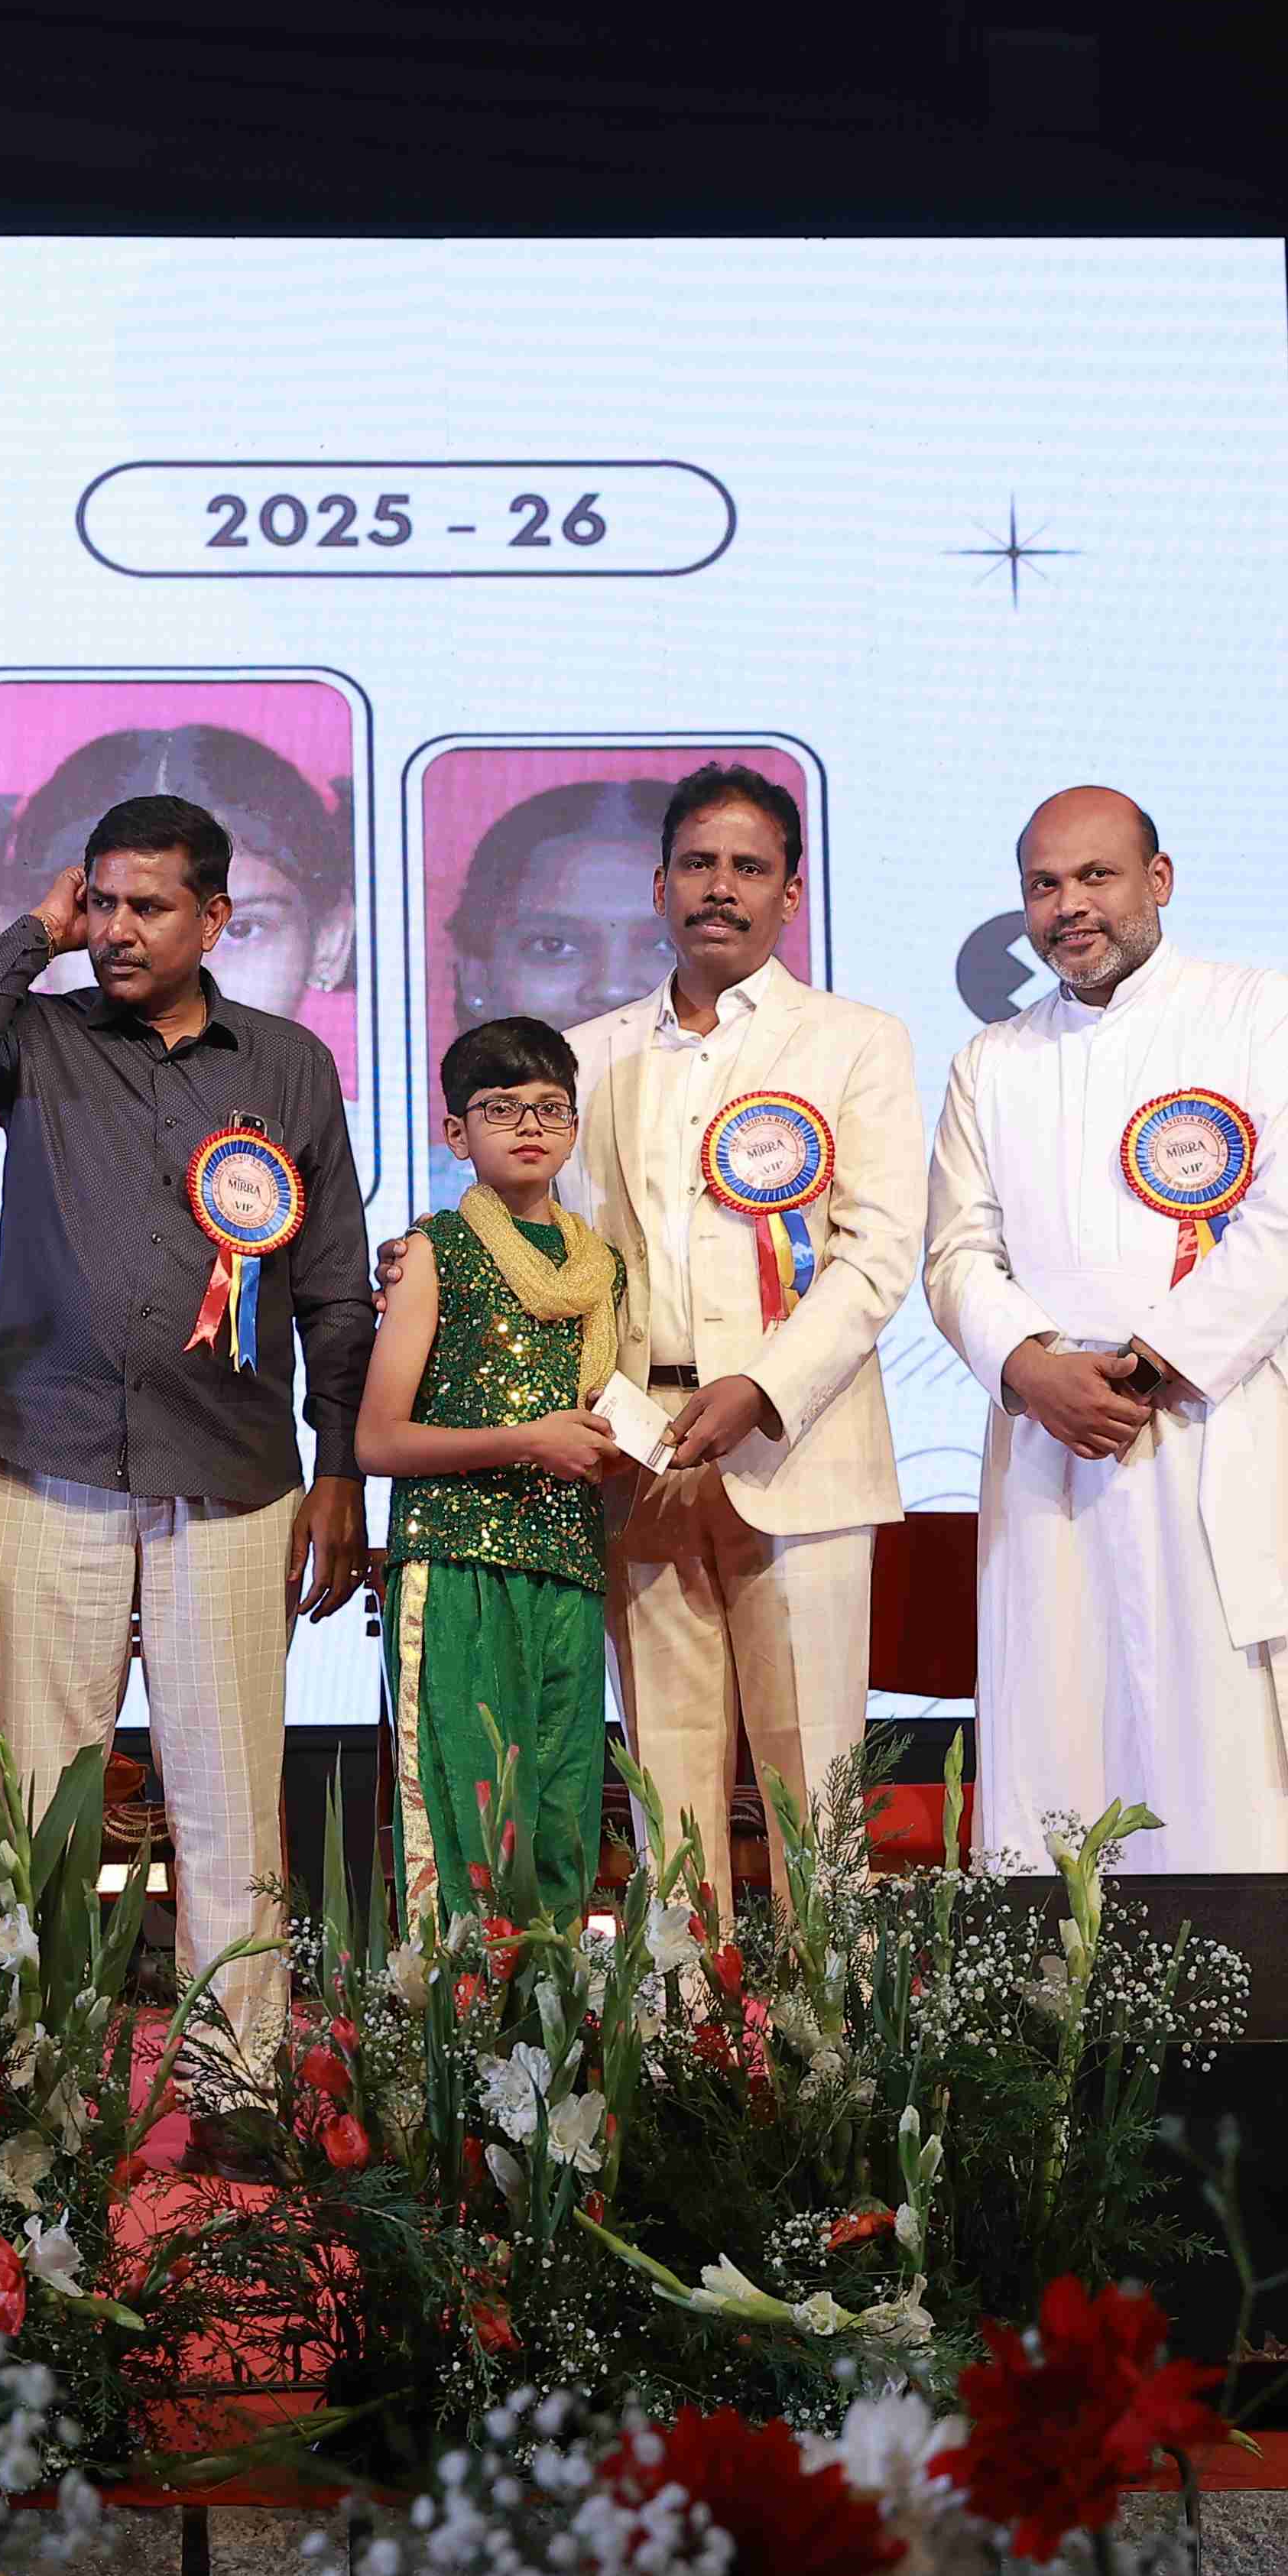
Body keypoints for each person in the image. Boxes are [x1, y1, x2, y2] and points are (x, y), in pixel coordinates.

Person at [0, 791, 372, 2057]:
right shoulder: (39, 1037)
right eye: (100, 902)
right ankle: (27, 2088)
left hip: (232, 1474)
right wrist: (37, 932)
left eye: (148, 907)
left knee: (230, 1806)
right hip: (43, 1459)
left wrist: (340, 1469)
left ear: (214, 918)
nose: (117, 928)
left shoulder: (289, 1066)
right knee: (33, 1801)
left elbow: (334, 1284)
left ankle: (237, 2088)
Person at [922, 787, 1288, 1874]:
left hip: (1224, 1422)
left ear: (1159, 881)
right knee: (1064, 1726)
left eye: (1097, 876)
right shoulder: (993, 1060)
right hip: (1056, 1444)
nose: (1069, 906)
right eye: (1045, 885)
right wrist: (1034, 1369)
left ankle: (1261, 1971)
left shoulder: (1265, 1013)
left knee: (1232, 1739)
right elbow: (956, 1252)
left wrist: (1149, 1365)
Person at [564, 762, 920, 1899]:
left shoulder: (856, 1042)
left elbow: (878, 1253)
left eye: (749, 868)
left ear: (790, 893)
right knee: (666, 1795)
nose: (721, 887)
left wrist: (763, 1389)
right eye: (699, 864)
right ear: (660, 883)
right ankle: (676, 2006)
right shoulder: (585, 1053)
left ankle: (831, 2010)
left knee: (816, 1790)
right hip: (639, 1454)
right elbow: (558, 1251)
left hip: (798, 1446)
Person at [360, 1017, 629, 1922]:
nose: (530, 1127)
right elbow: (379, 1441)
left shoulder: (600, 1268)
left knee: (561, 1824)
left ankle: (552, 2012)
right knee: (468, 1829)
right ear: (455, 1132)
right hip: (457, 1564)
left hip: (568, 1565)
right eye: (502, 1108)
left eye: (551, 1108)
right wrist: (527, 1440)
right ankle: (460, 2010)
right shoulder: (431, 1251)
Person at [5, 725, 363, 1092]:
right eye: (110, 922)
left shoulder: (348, 1128)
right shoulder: (2, 1130)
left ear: (331, 939)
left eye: (239, 930)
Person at [430, 777, 683, 1208]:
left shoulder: (772, 1169)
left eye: (663, 945)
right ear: (476, 976)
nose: (612, 987)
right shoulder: (420, 1202)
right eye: (554, 945)